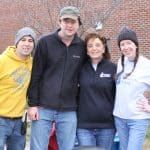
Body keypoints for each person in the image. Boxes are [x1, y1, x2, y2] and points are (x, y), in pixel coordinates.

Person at [27, 6, 86, 150]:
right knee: (38, 147)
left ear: (79, 24)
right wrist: (32, 104)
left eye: (73, 22)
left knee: (67, 147)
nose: (69, 25)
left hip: (69, 109)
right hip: (43, 107)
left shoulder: (82, 47)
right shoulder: (45, 43)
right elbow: (36, 75)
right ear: (59, 22)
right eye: (66, 21)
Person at [77, 33, 116, 150]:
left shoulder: (113, 68)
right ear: (87, 51)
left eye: (98, 45)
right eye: (90, 46)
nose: (94, 48)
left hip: (107, 126)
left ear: (103, 49)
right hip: (84, 126)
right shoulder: (79, 68)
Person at [113, 26, 150, 150]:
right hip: (120, 118)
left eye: (129, 43)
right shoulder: (120, 62)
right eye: (122, 44)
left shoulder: (146, 65)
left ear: (136, 45)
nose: (125, 47)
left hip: (137, 119)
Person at [0, 27, 36, 150]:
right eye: (23, 40)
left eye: (30, 40)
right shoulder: (2, 61)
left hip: (19, 121)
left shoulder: (33, 63)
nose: (27, 44)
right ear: (17, 42)